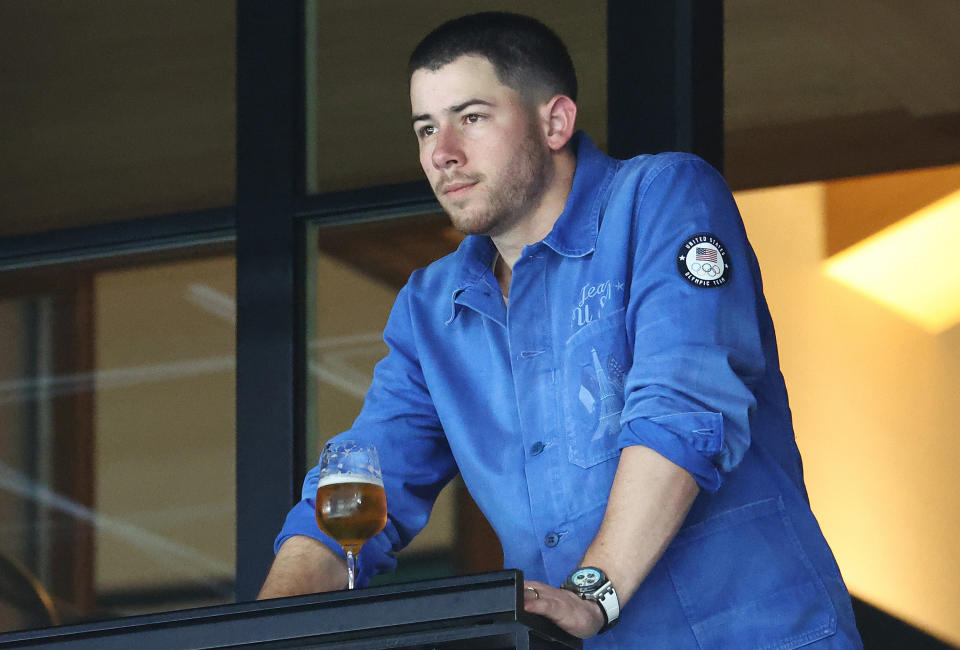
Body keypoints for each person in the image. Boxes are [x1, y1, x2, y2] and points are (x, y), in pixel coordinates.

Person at [259, 12, 863, 649]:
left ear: (555, 122)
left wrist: (593, 592)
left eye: (471, 117)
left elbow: (684, 405)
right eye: (425, 128)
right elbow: (363, 485)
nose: (443, 153)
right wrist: (261, 631)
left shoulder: (661, 196)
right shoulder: (431, 309)